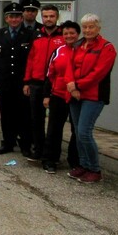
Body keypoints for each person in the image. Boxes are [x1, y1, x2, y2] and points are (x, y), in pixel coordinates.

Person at [65, 14, 116, 183]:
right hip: (75, 94)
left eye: (91, 27)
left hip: (93, 96)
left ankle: (94, 169)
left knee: (84, 132)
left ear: (98, 28)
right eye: (85, 27)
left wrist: (77, 86)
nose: (87, 30)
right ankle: (83, 165)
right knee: (78, 133)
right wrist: (72, 85)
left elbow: (98, 74)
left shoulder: (107, 48)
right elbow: (69, 66)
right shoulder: (78, 45)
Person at [0, 2, 32, 155]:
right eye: (11, 16)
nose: (14, 19)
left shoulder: (29, 34)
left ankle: (25, 144)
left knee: (23, 114)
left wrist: (28, 82)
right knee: (6, 114)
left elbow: (32, 61)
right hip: (4, 81)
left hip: (22, 82)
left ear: (22, 18)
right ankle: (8, 142)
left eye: (17, 16)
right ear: (6, 18)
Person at [23, 4, 64, 161]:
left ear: (57, 17)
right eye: (45, 16)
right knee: (36, 119)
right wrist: (26, 81)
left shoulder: (62, 36)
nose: (48, 19)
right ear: (42, 17)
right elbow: (31, 60)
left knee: (54, 123)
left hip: (55, 85)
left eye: (51, 16)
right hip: (36, 83)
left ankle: (52, 155)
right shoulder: (36, 35)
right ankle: (38, 150)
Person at [41, 20, 81, 174]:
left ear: (78, 34)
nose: (69, 36)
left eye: (72, 33)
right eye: (66, 33)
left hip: (76, 96)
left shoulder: (83, 51)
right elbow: (49, 75)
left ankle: (75, 161)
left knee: (76, 130)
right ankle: (50, 159)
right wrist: (47, 95)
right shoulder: (58, 51)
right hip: (58, 95)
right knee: (54, 129)